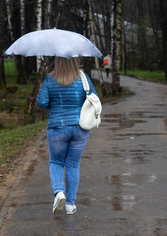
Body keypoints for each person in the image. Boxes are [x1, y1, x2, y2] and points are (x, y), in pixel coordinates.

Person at [36, 57, 98, 215]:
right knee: (72, 165)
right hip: (80, 128)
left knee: (56, 162)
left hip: (57, 127)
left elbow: (42, 102)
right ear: (75, 61)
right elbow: (94, 98)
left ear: (57, 62)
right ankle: (70, 204)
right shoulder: (83, 78)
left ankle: (59, 192)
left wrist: (55, 102)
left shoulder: (50, 79)